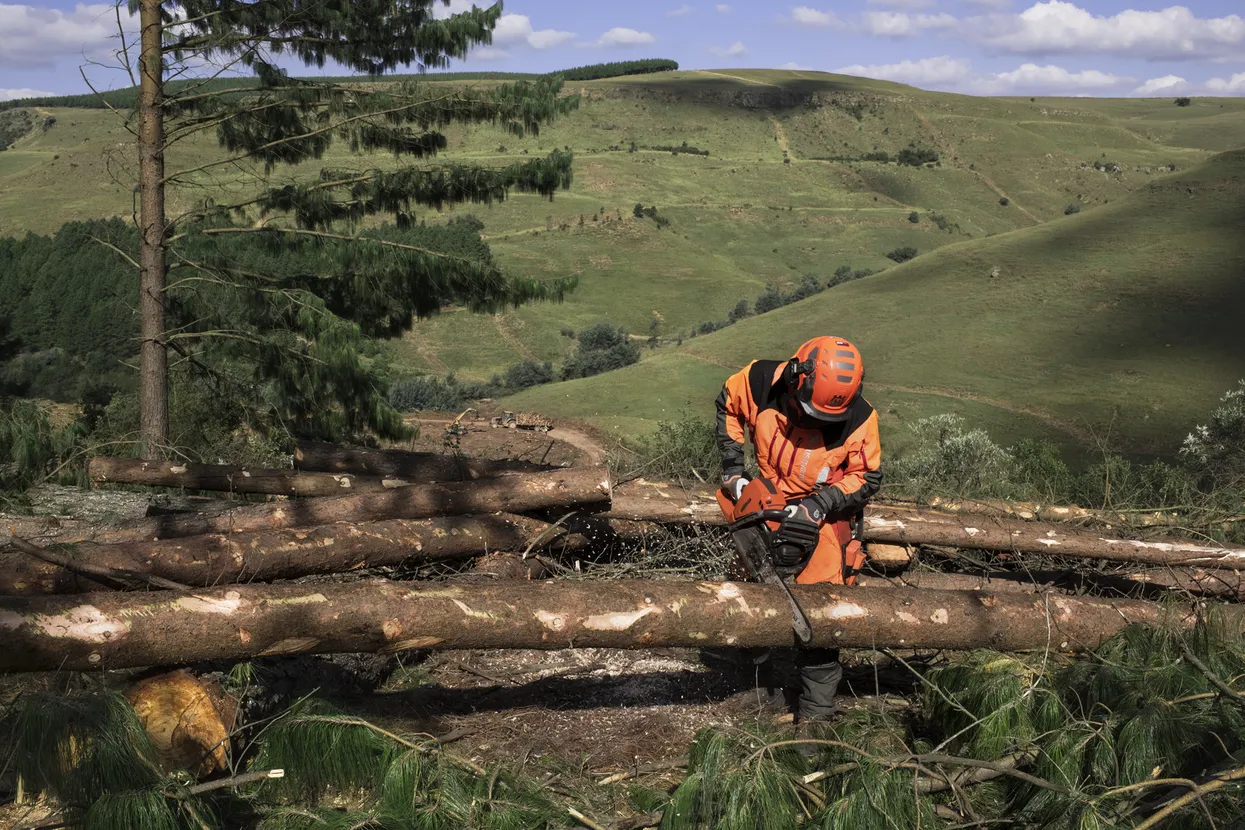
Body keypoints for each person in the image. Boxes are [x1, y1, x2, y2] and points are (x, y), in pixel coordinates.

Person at [714, 335, 883, 728]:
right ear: (795, 378)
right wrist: (734, 471)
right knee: (749, 590)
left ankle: (817, 715)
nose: (813, 422)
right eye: (809, 411)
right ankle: (758, 686)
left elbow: (868, 476)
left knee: (822, 611)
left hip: (823, 508)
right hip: (766, 494)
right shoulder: (758, 381)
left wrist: (818, 505)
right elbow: (728, 404)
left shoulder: (859, 418)